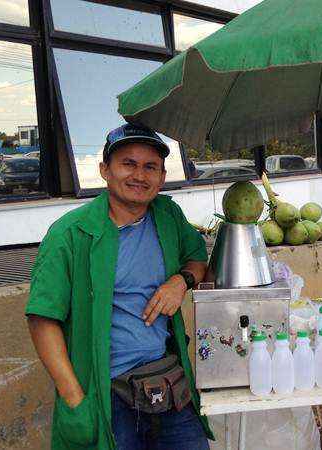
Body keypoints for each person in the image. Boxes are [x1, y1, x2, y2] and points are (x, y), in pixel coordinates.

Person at [26, 123, 213, 449]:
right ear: (104, 170)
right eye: (128, 163)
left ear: (162, 176)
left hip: (167, 381)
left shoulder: (167, 217)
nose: (139, 175)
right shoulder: (70, 234)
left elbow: (198, 262)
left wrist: (179, 282)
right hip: (106, 392)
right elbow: (43, 319)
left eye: (150, 167)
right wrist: (74, 398)